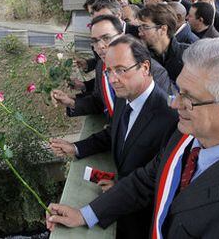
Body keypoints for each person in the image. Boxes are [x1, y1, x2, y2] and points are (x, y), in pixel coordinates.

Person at [46, 37, 219, 238]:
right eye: (179, 91)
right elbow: (146, 180)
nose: (175, 104)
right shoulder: (187, 135)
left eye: (188, 98)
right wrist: (85, 214)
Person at [50, 35, 178, 238]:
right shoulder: (125, 96)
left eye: (120, 70)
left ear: (145, 67)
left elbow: (158, 180)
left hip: (142, 222)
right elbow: (115, 132)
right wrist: (76, 148)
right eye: (109, 71)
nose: (112, 79)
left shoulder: (170, 118)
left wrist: (90, 212)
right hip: (120, 206)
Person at [51, 15, 171, 118]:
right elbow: (99, 101)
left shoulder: (154, 72)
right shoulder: (101, 66)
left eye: (106, 38)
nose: (100, 46)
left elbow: (153, 121)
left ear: (122, 35)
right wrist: (70, 102)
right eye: (95, 41)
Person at [136, 3, 189, 82]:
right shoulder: (142, 57)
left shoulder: (187, 56)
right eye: (140, 28)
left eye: (145, 27)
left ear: (163, 29)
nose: (140, 33)